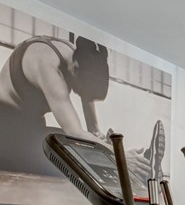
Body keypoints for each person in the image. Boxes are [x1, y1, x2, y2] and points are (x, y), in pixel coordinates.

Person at [0, 35, 160, 182]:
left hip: (31, 127)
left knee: (83, 146)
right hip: (6, 131)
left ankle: (144, 168)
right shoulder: (47, 64)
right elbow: (74, 132)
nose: (82, 96)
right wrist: (119, 155)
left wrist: (101, 141)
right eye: (82, 91)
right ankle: (131, 170)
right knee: (70, 156)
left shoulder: (83, 62)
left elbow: (92, 128)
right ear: (75, 68)